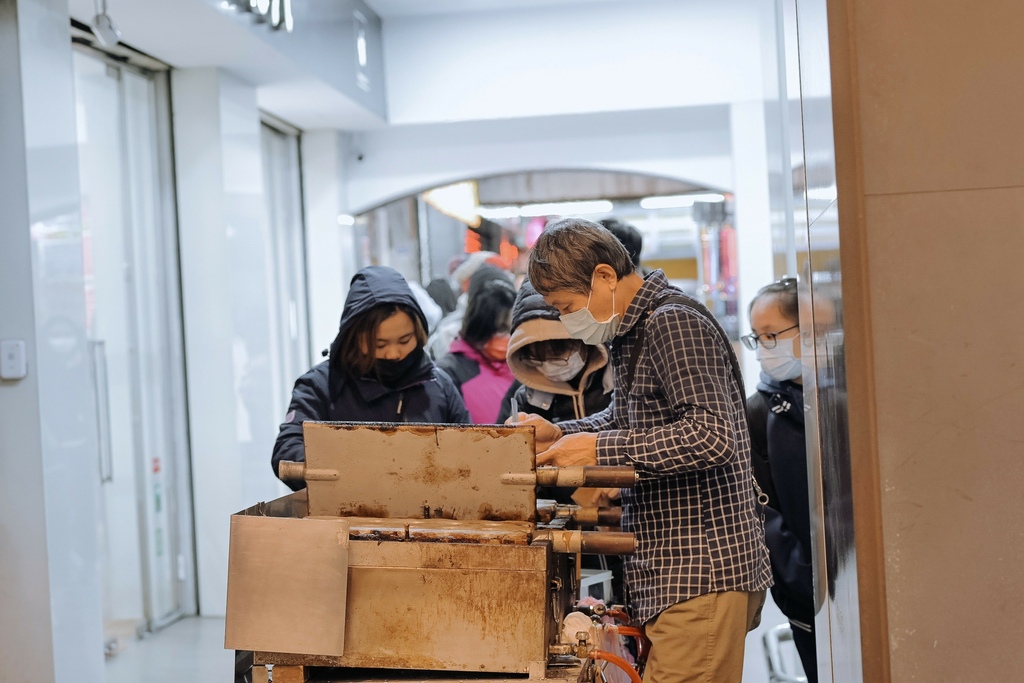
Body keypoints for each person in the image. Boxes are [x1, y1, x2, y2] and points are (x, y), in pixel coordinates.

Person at [516, 217, 771, 683]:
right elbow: (625, 419)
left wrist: (596, 447)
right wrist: (559, 433)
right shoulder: (634, 331)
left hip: (699, 569)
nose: (568, 319)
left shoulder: (671, 324)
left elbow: (711, 435)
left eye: (567, 305)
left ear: (605, 277)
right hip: (674, 571)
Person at [271, 266, 470, 489]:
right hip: (344, 518)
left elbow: (470, 452)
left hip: (429, 519)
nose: (393, 354)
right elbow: (287, 451)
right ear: (355, 337)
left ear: (419, 332)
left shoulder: (439, 384)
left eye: (405, 341)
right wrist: (358, 468)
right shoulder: (321, 386)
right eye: (380, 344)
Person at [742, 277, 817, 683]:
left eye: (772, 334)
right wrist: (804, 583)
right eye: (758, 337)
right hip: (805, 600)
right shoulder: (758, 414)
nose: (764, 347)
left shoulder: (848, 399)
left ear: (810, 331)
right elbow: (764, 513)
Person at [436, 274, 517, 423]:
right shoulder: (450, 371)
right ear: (480, 327)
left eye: (512, 330)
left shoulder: (522, 367)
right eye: (501, 329)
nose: (507, 337)